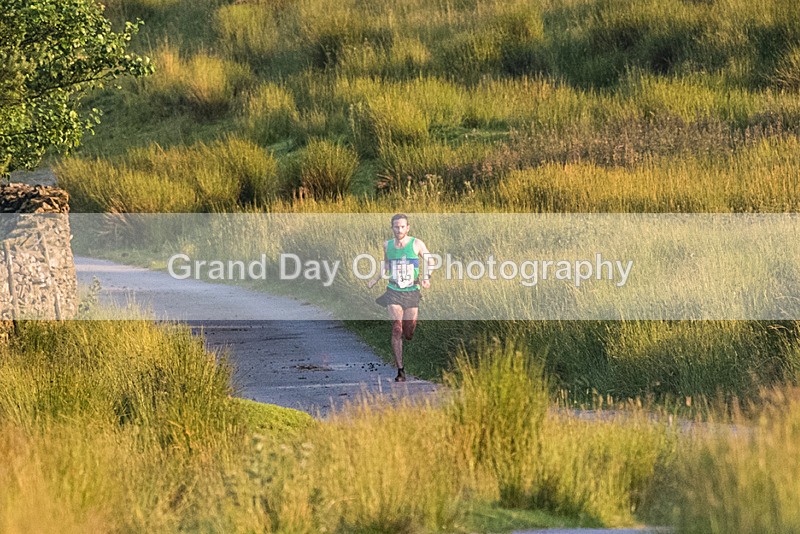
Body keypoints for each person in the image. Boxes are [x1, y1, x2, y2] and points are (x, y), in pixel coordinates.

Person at [367, 214, 433, 382]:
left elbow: (430, 260)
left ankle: (407, 337)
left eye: (402, 227)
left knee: (409, 331)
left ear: (408, 228)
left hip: (412, 291)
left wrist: (427, 277)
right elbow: (387, 264)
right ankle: (400, 370)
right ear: (392, 228)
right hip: (393, 290)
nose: (399, 230)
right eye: (396, 227)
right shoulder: (387, 245)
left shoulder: (416, 243)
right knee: (397, 329)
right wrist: (375, 280)